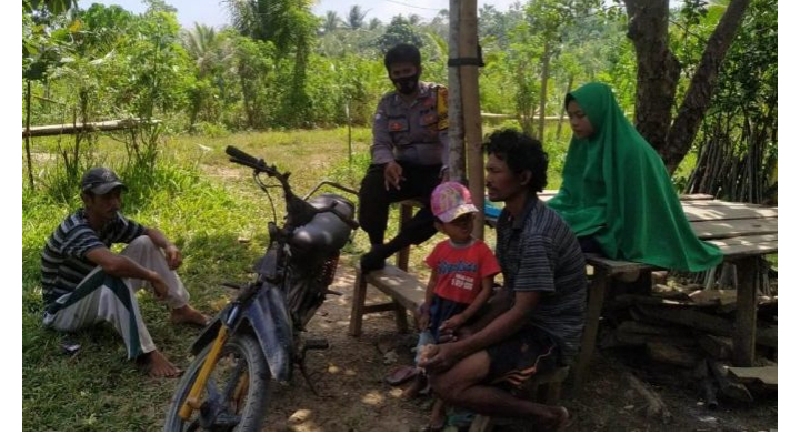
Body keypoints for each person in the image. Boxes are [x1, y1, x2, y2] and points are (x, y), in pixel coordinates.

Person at [420, 129, 585, 431]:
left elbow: (521, 311)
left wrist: (462, 348)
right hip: (524, 323)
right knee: (445, 355)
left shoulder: (537, 235)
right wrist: (469, 327)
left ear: (523, 178)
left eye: (495, 171)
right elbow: (509, 290)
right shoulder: (509, 219)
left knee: (448, 382)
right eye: (488, 170)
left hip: (548, 336)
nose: (487, 178)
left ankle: (548, 416)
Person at [40, 167, 208, 377]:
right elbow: (112, 265)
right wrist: (152, 276)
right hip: (62, 312)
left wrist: (169, 246)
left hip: (91, 298)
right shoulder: (75, 230)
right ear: (87, 199)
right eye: (106, 197)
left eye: (117, 195)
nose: (115, 202)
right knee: (112, 273)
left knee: (145, 243)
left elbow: (147, 232)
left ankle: (180, 309)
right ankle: (145, 353)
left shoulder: (110, 220)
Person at [547, 81, 722, 272]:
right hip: (595, 218)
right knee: (532, 221)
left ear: (599, 112)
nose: (574, 123)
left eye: (581, 116)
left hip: (621, 230)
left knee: (551, 238)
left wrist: (586, 219)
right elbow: (572, 192)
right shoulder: (585, 143)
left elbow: (632, 212)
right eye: (571, 116)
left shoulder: (630, 151)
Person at [409, 181, 501, 431]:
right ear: (440, 227)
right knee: (425, 349)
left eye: (467, 218)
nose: (464, 224)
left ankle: (440, 405)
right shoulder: (440, 250)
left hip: (464, 312)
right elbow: (433, 281)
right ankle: (419, 378)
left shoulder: (481, 251)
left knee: (448, 359)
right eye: (456, 220)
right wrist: (427, 308)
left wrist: (467, 316)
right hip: (440, 307)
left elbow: (486, 289)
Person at [358, 42, 450, 273]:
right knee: (372, 185)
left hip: (436, 169)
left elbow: (451, 137)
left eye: (407, 71)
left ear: (418, 69)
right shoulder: (387, 104)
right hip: (404, 169)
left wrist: (449, 170)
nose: (402, 78)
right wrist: (388, 162)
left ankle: (391, 248)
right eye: (396, 73)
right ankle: (376, 244)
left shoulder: (440, 95)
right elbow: (380, 141)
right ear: (390, 74)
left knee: (446, 202)